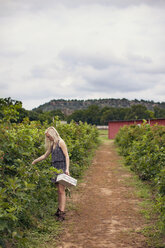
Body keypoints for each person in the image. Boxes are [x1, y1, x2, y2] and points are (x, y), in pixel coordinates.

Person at [32, 126, 70, 221]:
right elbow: (45, 155)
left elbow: (67, 156)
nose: (48, 138)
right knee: (58, 191)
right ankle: (59, 209)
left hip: (61, 168)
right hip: (54, 169)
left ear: (53, 134)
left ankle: (62, 213)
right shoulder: (53, 144)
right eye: (47, 137)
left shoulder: (61, 142)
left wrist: (67, 169)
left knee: (62, 191)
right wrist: (34, 161)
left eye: (49, 136)